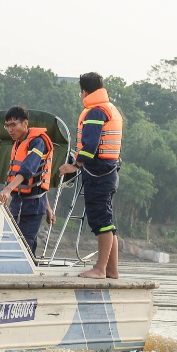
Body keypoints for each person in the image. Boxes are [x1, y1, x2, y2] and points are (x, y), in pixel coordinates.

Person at [59, 72, 123, 279]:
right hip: (109, 172)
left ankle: (100, 269)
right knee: (108, 220)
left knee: (102, 221)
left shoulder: (95, 111)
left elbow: (90, 146)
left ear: (84, 92)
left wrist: (75, 165)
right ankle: (112, 269)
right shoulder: (110, 108)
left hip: (98, 174)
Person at [0, 106, 56, 255]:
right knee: (11, 241)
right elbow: (38, 180)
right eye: (7, 126)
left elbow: (29, 169)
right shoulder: (18, 144)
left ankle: (27, 274)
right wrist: (49, 208)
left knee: (25, 244)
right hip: (18, 203)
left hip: (33, 205)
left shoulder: (38, 142)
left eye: (13, 125)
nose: (10, 129)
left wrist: (8, 189)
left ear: (25, 123)